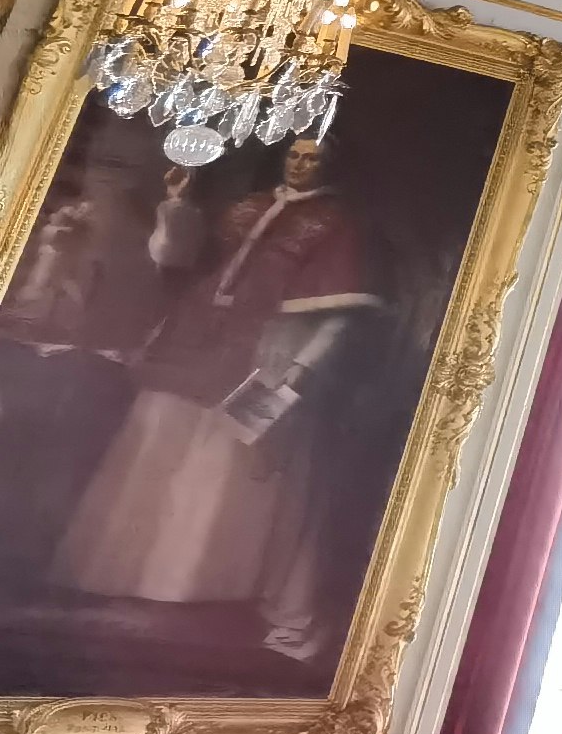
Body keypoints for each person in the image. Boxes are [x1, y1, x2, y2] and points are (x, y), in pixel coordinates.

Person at [50, 133, 391, 665]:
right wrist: (178, 204)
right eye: (294, 155)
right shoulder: (244, 207)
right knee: (157, 452)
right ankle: (132, 581)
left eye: (313, 158)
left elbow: (336, 314)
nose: (300, 164)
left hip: (266, 352)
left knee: (223, 472)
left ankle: (193, 594)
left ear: (330, 164)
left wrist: (296, 374)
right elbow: (175, 257)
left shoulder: (336, 222)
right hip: (191, 340)